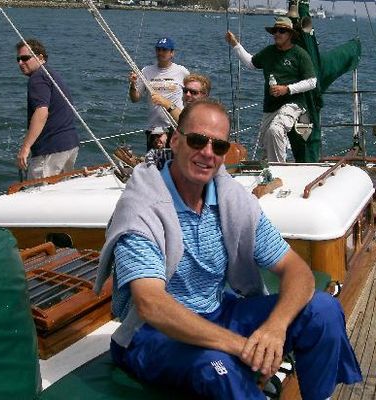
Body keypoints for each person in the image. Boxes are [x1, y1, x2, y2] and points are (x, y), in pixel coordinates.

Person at [95, 98, 361, 399]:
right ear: (175, 141)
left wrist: (275, 327)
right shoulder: (142, 209)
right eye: (197, 141)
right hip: (152, 333)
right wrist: (243, 348)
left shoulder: (231, 201)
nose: (207, 153)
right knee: (217, 367)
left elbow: (295, 269)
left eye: (219, 146)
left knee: (323, 309)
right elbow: (151, 304)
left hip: (218, 312)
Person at [226, 17, 317, 162]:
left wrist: (287, 89)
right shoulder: (269, 52)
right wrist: (235, 44)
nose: (277, 34)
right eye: (275, 31)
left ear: (290, 34)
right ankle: (272, 166)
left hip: (293, 104)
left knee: (275, 130)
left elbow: (312, 82)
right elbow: (251, 63)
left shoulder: (300, 54)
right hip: (270, 106)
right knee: (267, 141)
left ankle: (279, 169)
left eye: (282, 31)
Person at [16, 39, 79, 179]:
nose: (20, 63)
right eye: (18, 59)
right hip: (69, 145)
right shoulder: (51, 75)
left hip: (50, 150)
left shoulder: (37, 78)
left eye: (25, 58)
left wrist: (25, 148)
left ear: (40, 57)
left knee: (39, 191)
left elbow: (41, 112)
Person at [128, 37, 189, 149]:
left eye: (164, 50)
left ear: (172, 53)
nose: (160, 52)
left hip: (176, 127)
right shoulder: (146, 71)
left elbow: (191, 95)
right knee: (154, 160)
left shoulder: (182, 72)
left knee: (176, 159)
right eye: (158, 49)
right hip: (154, 129)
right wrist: (132, 85)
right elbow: (135, 99)